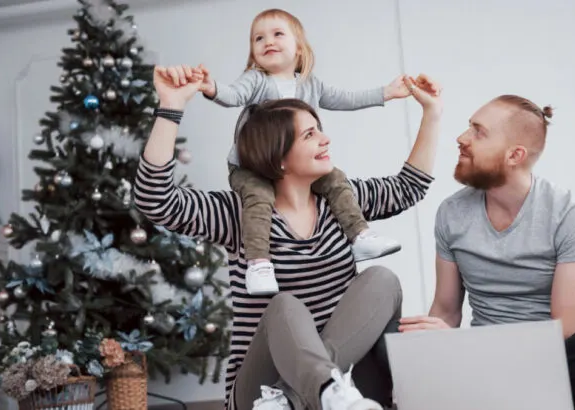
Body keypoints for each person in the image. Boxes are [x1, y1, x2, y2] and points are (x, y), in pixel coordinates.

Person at [134, 64, 443, 409]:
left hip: (324, 393)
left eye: (319, 130)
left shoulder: (342, 203)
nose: (325, 139)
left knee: (382, 279)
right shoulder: (240, 213)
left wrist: (431, 112)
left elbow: (408, 187)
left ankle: (309, 394)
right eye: (309, 135)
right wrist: (170, 107)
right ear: (278, 156)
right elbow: (155, 201)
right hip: (259, 393)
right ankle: (316, 392)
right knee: (285, 305)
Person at [398, 95, 575, 410]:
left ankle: (515, 397)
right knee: (392, 335)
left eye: (477, 132)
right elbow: (446, 309)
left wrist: (490, 359)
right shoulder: (451, 213)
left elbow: (565, 328)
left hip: (544, 355)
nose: (461, 138)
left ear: (514, 155)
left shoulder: (570, 214)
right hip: (481, 364)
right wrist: (432, 350)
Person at [193, 8, 412, 296]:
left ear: (299, 48)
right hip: (252, 167)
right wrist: (211, 88)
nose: (267, 41)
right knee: (258, 199)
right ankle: (259, 264)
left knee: (337, 180)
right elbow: (233, 95)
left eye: (277, 34)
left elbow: (345, 99)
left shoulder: (310, 84)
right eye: (258, 38)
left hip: (296, 168)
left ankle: (359, 235)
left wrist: (386, 92)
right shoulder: (256, 80)